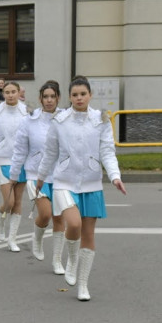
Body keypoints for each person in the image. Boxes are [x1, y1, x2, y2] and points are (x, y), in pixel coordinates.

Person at [36, 76, 126, 300]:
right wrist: (40, 177)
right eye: (75, 94)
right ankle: (72, 259)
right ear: (69, 96)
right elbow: (50, 153)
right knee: (73, 224)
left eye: (83, 94)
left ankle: (83, 284)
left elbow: (107, 151)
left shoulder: (101, 119)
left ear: (90, 95)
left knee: (88, 234)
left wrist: (115, 176)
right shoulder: (60, 120)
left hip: (91, 182)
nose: (79, 98)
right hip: (64, 181)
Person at [10, 81, 65, 270]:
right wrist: (14, 173)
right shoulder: (29, 120)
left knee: (59, 218)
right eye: (45, 97)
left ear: (58, 97)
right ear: (40, 98)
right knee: (46, 213)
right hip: (34, 173)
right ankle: (37, 237)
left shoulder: (65, 118)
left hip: (59, 175)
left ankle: (57, 260)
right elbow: (19, 149)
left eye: (52, 96)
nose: (49, 100)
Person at [0, 81, 29, 251]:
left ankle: (12, 239)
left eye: (13, 92)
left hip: (23, 161)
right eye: (7, 92)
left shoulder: (26, 111)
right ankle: (1, 218)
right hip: (4, 160)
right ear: (3, 93)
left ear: (19, 93)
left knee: (18, 202)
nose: (10, 95)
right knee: (8, 202)